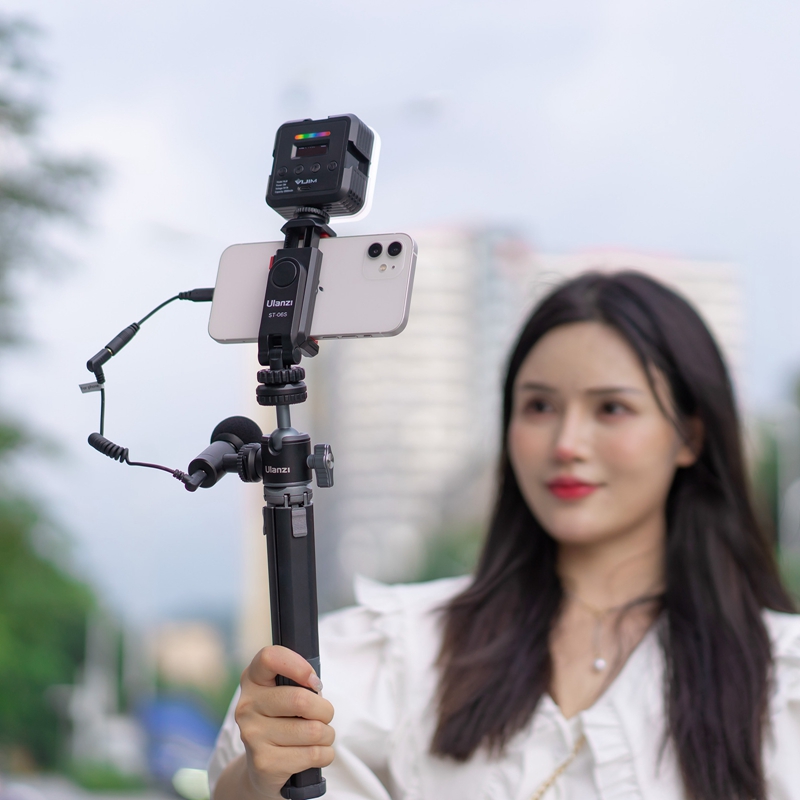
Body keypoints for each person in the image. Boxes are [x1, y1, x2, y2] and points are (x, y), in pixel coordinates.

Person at [209, 271, 800, 800]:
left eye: (612, 409)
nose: (567, 444)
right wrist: (260, 781)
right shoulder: (400, 651)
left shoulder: (780, 676)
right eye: (539, 406)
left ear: (690, 436)